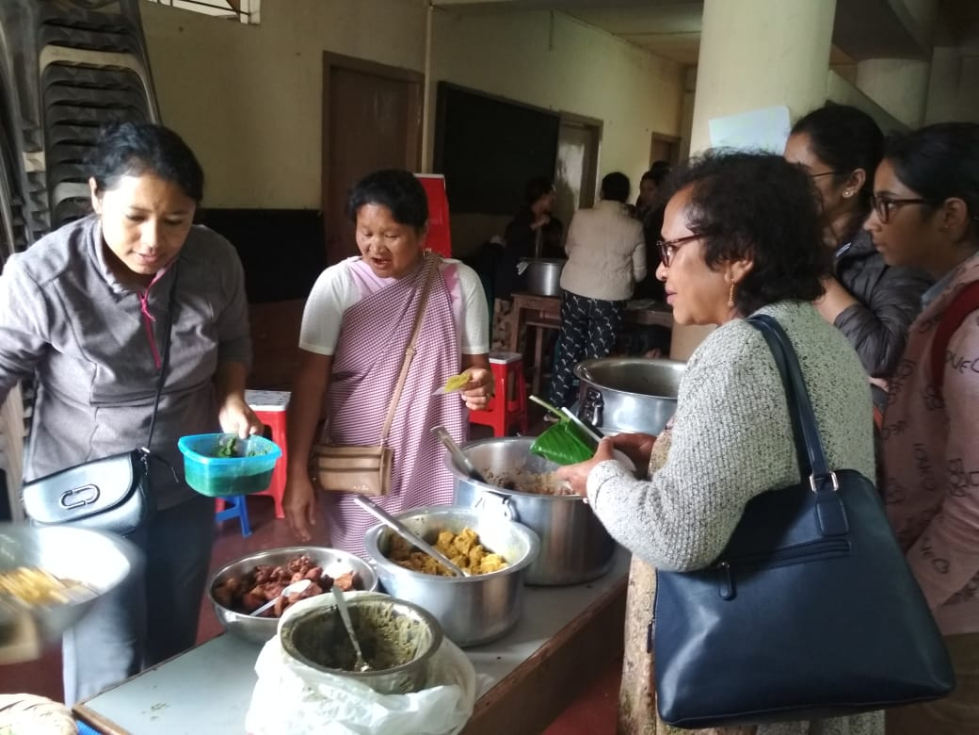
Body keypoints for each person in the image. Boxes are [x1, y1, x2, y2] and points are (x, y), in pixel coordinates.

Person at [557, 152, 881, 735]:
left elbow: (677, 537)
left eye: (670, 250)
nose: (660, 272)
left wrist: (599, 481)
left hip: (749, 670)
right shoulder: (821, 337)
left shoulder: (738, 353)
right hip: (822, 645)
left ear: (736, 257)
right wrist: (662, 452)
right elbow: (775, 464)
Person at [0, 122, 262, 702]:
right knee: (108, 651)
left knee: (172, 636)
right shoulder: (43, 277)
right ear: (96, 195)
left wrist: (231, 397)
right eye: (134, 217)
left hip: (185, 480)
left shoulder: (215, 260)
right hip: (84, 496)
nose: (153, 240)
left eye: (176, 221)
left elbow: (235, 342)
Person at [284, 169, 492, 557]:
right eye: (365, 232)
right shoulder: (337, 285)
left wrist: (479, 386)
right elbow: (310, 382)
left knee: (435, 561)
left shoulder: (458, 284)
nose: (374, 247)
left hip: (434, 463)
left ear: (422, 232)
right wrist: (295, 472)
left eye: (390, 235)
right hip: (359, 468)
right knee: (359, 570)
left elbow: (478, 372)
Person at [869, 122, 979, 734]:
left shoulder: (974, 321)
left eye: (890, 204)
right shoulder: (947, 303)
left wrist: (900, 605)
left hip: (953, 621)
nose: (871, 221)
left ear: (951, 215)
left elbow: (977, 509)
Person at [784, 103, 932, 413]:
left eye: (802, 176)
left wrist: (813, 278)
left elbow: (881, 357)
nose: (787, 188)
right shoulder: (787, 239)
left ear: (852, 182)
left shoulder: (894, 252)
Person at [546, 172, 645, 408]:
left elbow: (569, 249)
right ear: (626, 196)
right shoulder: (634, 227)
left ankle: (555, 408)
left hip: (575, 291)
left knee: (568, 348)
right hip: (610, 300)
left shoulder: (581, 216)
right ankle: (586, 413)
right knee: (596, 360)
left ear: (602, 192)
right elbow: (640, 273)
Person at [491, 176, 564, 350]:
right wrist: (535, 225)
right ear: (542, 196)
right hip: (508, 288)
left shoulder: (547, 223)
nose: (554, 199)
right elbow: (511, 234)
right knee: (503, 341)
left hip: (523, 288)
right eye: (551, 195)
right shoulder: (524, 218)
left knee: (518, 342)